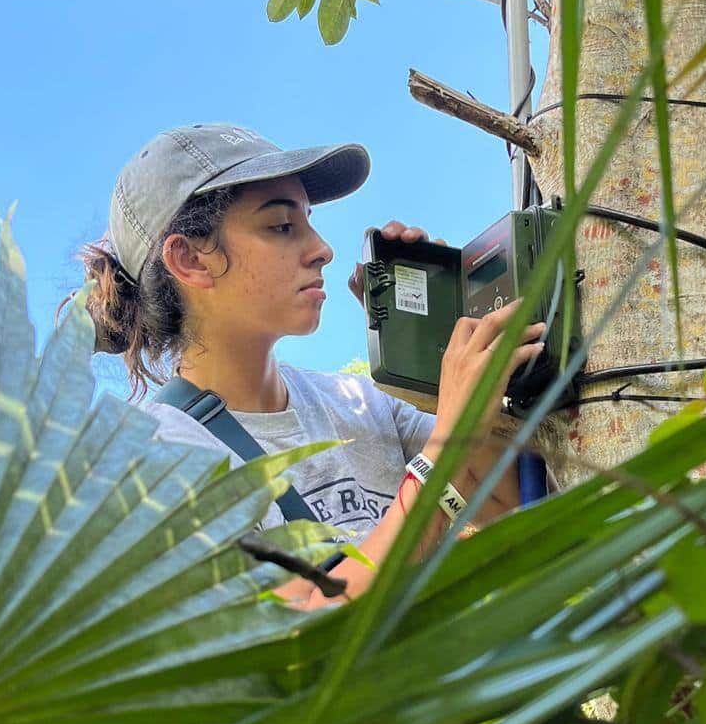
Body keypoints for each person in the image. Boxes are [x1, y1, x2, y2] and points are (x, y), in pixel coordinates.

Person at [79, 123, 545, 610]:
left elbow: (513, 501)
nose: (322, 249)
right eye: (282, 226)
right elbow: (301, 627)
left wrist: (429, 357)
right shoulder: (159, 453)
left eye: (309, 221)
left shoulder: (360, 402)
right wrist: (443, 455)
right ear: (191, 259)